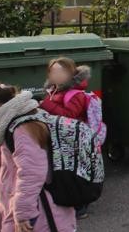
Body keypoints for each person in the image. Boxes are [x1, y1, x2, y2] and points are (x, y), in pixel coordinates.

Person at [0, 82, 77, 232]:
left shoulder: (20, 129)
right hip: (45, 206)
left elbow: (32, 174)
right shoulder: (26, 117)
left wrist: (23, 213)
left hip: (41, 213)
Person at [38, 57, 93, 219]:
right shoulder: (54, 89)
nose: (56, 74)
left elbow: (70, 116)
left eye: (61, 71)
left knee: (74, 173)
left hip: (73, 140)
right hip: (58, 139)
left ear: (71, 73)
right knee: (62, 172)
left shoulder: (76, 93)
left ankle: (80, 205)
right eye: (53, 71)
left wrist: (45, 105)